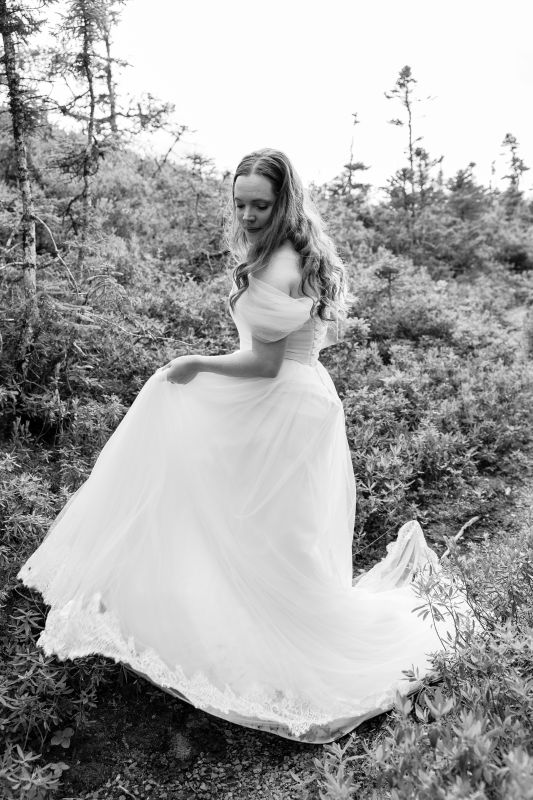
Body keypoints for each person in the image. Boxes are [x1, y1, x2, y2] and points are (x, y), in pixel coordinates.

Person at [17, 148, 471, 744]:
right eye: (241, 204)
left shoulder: (277, 265)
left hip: (281, 404)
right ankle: (250, 620)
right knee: (275, 531)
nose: (249, 216)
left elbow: (263, 363)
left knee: (260, 526)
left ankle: (276, 643)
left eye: (261, 205)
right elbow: (298, 347)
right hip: (304, 398)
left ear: (285, 201)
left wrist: (193, 363)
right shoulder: (297, 250)